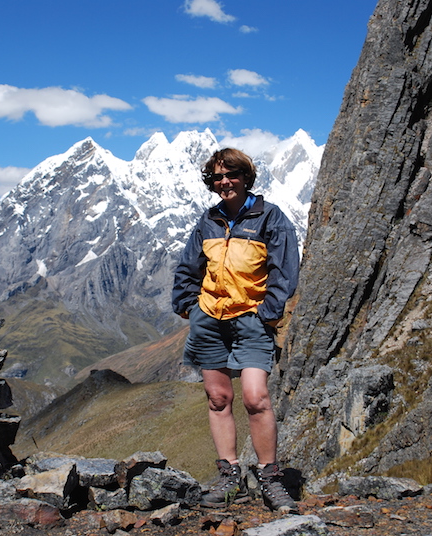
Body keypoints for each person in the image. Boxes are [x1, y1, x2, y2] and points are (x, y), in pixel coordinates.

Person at [172, 148, 300, 512]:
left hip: (251, 319)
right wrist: (186, 304)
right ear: (211, 183)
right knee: (217, 398)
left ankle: (270, 480)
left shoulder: (270, 218)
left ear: (246, 177)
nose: (224, 182)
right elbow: (189, 265)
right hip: (209, 320)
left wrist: (267, 313)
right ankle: (230, 479)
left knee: (255, 398)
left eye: (231, 175)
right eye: (217, 177)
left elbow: (285, 270)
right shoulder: (208, 221)